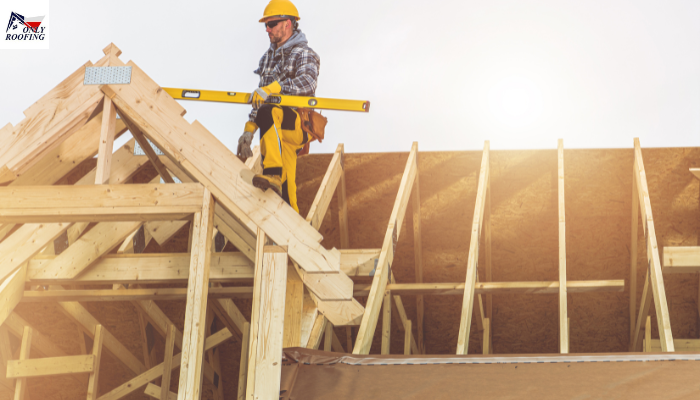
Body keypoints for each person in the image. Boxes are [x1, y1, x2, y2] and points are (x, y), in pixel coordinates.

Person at [236, 0, 320, 214]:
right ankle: (296, 234)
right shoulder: (267, 59)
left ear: (288, 24)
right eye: (266, 24)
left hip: (297, 125)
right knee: (285, 192)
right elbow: (260, 98)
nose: (267, 29)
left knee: (269, 110)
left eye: (272, 23)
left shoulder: (304, 53)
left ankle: (272, 171)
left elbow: (307, 84)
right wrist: (249, 130)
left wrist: (275, 88)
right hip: (274, 131)